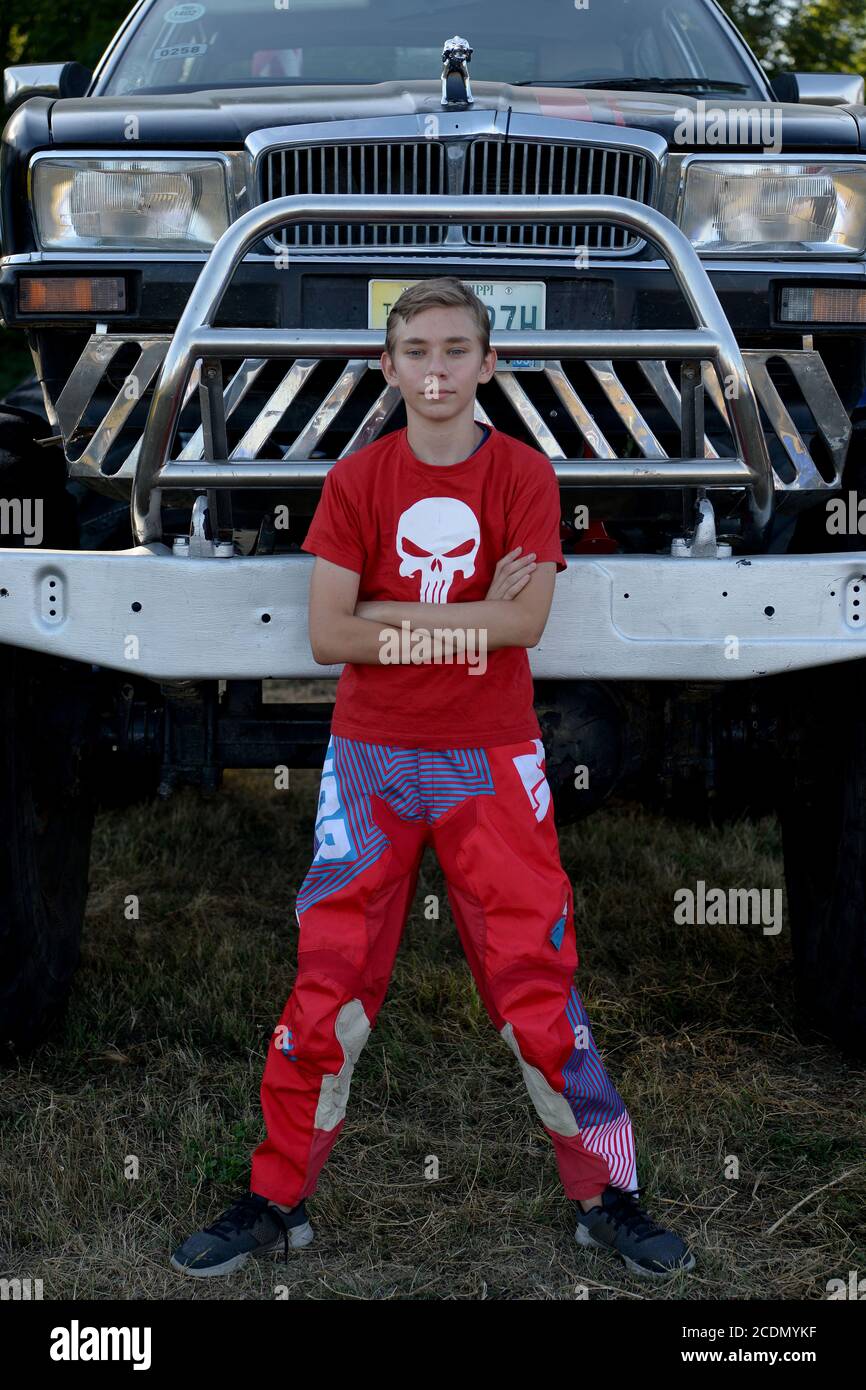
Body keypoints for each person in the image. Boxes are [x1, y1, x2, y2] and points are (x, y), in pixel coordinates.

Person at [171, 277, 695, 1281]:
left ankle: (603, 1194)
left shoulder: (521, 477)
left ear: (488, 362)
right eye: (416, 350)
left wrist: (389, 621)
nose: (438, 369)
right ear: (389, 366)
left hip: (488, 757)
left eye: (457, 349)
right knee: (327, 984)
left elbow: (523, 625)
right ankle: (276, 1198)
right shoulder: (359, 481)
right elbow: (328, 637)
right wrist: (464, 622)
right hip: (368, 758)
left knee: (534, 981)